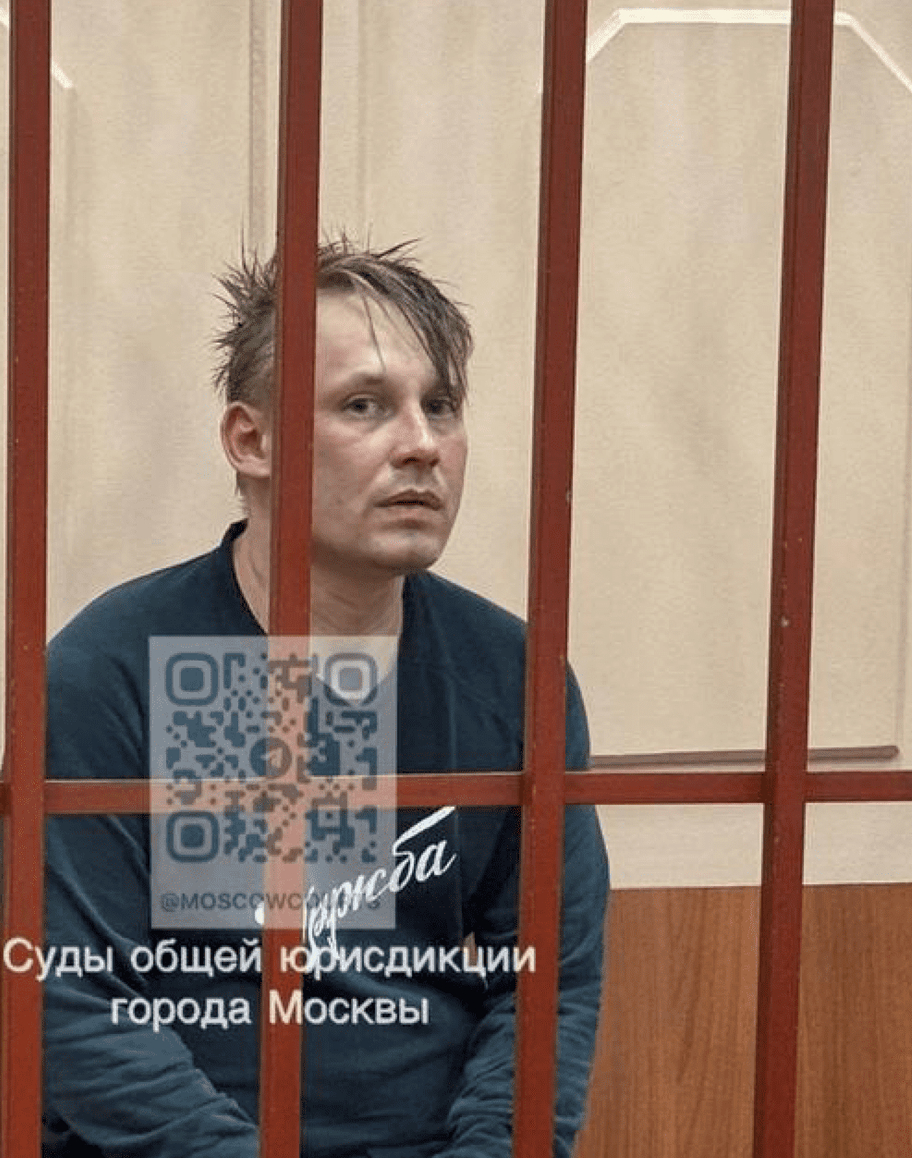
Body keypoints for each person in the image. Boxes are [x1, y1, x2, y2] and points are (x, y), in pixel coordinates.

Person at [40, 239, 609, 1158]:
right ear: (251, 440)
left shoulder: (512, 672)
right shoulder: (115, 667)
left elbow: (549, 985)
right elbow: (78, 1003)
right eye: (364, 405)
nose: (421, 444)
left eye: (441, 406)